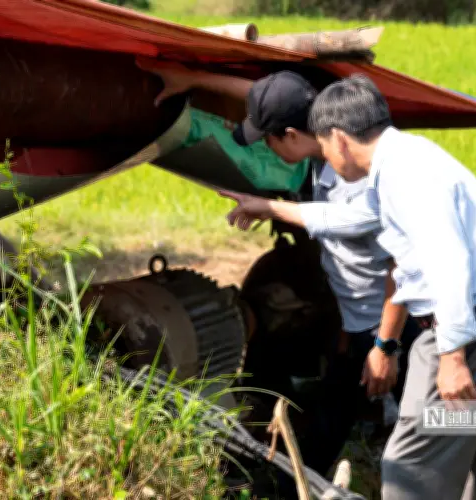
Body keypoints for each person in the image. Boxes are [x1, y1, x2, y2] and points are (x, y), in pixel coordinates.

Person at [225, 73, 476, 500]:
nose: (326, 157)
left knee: (409, 465)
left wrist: (453, 354)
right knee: (465, 443)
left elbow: (448, 259)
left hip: (469, 322)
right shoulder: (399, 163)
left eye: (326, 146)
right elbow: (350, 220)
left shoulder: (406, 175)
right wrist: (270, 208)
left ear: (341, 139)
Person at [137, 58, 423, 478]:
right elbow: (270, 99)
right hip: (361, 320)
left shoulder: (356, 178)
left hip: (399, 322)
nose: (266, 148)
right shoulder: (323, 139)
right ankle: (295, 482)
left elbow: (401, 271)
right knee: (332, 417)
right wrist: (193, 78)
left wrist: (385, 347)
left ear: (291, 135)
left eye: (268, 139)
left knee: (439, 421)